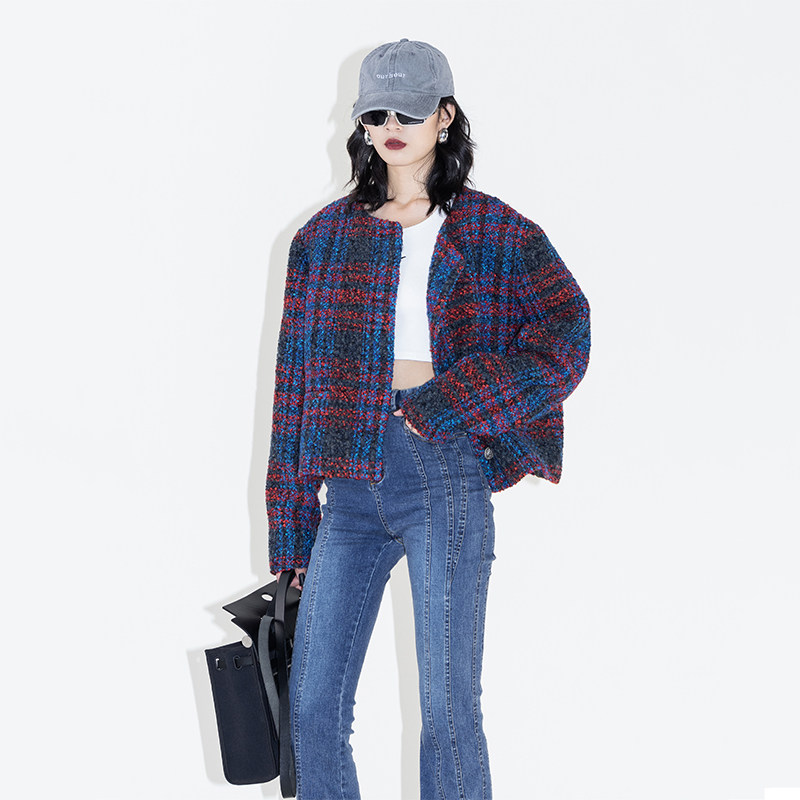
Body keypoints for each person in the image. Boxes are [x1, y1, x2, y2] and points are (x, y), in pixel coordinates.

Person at [265, 38, 591, 800]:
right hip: (348, 488)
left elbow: (568, 332)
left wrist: (454, 401)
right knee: (311, 712)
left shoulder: (491, 230)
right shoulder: (322, 240)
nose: (391, 127)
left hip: (442, 472)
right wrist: (291, 531)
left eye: (408, 113)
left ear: (445, 117)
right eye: (376, 114)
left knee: (446, 713)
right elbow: (293, 391)